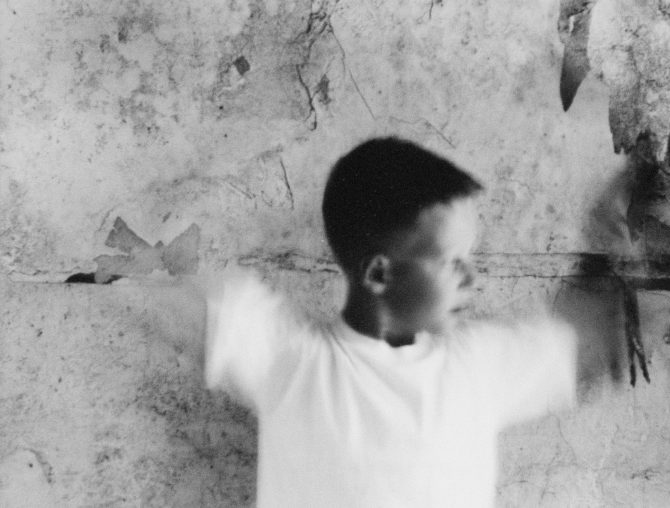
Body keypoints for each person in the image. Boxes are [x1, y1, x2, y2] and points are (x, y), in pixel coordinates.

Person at [205, 136, 578, 508]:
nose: (471, 278)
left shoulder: (477, 366)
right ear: (379, 274)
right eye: (452, 261)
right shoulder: (293, 363)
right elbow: (193, 298)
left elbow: (594, 340)